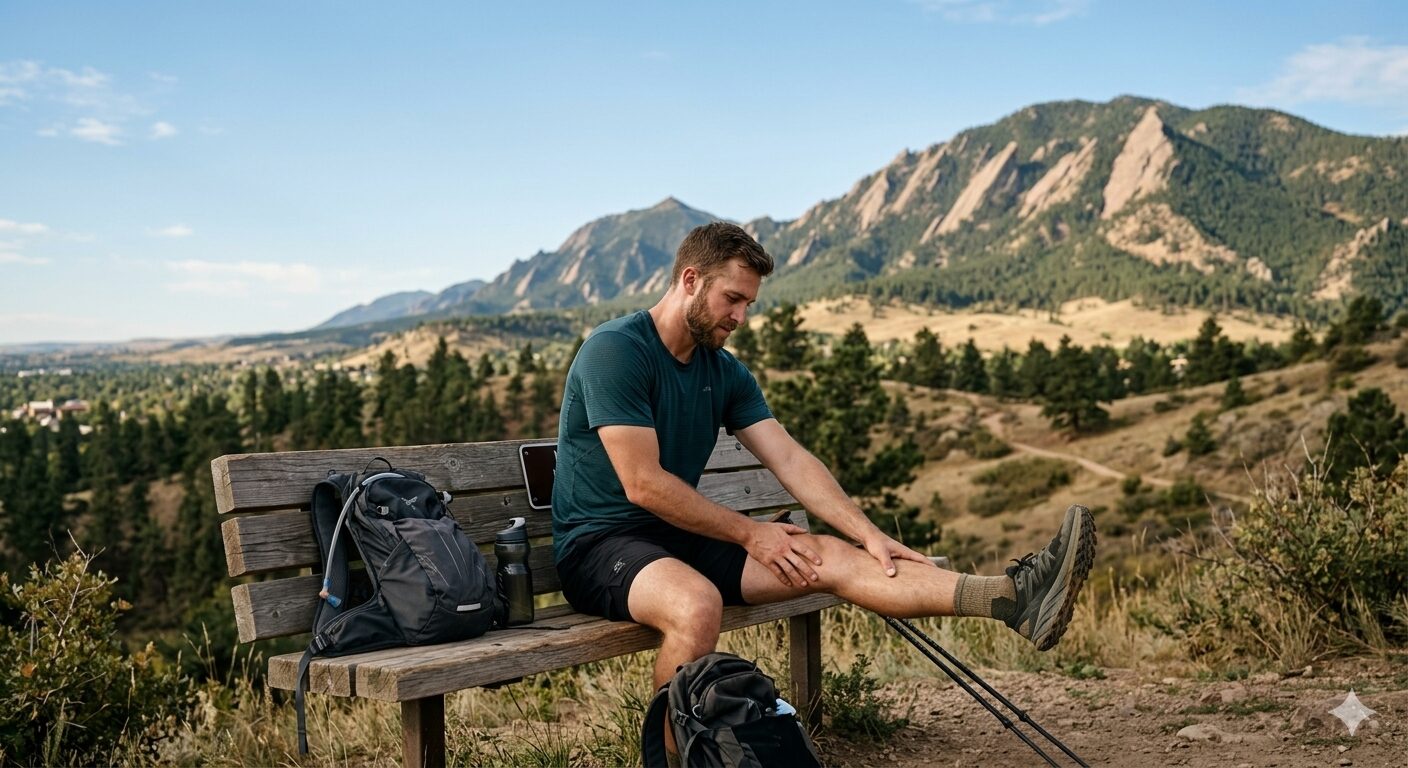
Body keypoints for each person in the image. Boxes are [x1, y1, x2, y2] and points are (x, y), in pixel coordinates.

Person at [551, 221, 1096, 713]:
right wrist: (750, 534)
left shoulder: (724, 371)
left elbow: (789, 457)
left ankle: (1012, 598)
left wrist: (869, 534)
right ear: (690, 280)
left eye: (748, 305)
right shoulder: (617, 350)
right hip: (600, 545)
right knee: (697, 604)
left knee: (829, 557)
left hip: (681, 537)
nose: (740, 317)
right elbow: (643, 484)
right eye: (732, 299)